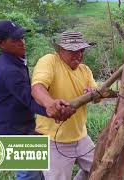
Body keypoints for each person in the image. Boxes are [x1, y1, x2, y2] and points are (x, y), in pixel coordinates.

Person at [0, 20, 75, 180]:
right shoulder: (8, 69)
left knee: (38, 168)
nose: (21, 42)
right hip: (12, 128)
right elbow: (29, 98)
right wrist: (54, 110)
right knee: (29, 173)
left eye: (21, 37)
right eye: (15, 40)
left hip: (23, 122)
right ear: (0, 44)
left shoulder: (16, 60)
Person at [31, 31, 99, 180]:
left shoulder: (85, 70)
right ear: (60, 50)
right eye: (72, 51)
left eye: (81, 50)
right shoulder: (50, 61)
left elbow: (96, 95)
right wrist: (50, 103)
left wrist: (93, 93)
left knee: (99, 169)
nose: (78, 55)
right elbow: (37, 87)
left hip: (81, 136)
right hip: (53, 141)